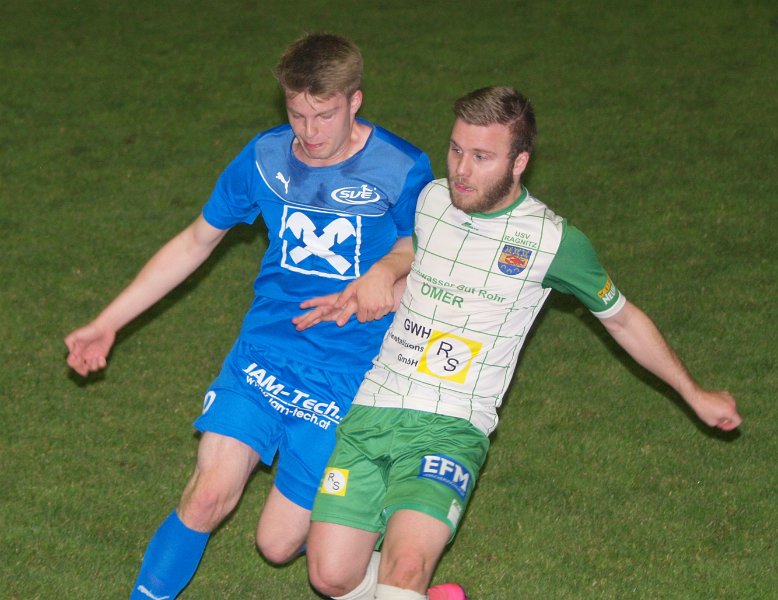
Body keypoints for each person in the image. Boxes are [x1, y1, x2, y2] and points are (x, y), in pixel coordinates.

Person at [300, 86, 742, 600]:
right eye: (456, 149)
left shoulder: (553, 241)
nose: (462, 169)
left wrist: (694, 393)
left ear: (519, 162)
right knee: (331, 576)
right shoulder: (432, 200)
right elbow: (422, 275)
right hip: (374, 407)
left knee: (405, 570)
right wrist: (366, 291)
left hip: (451, 423)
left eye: (481, 157)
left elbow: (624, 321)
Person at [64, 33, 434, 599]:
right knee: (207, 496)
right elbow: (196, 241)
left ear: (355, 101)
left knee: (278, 545)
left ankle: (375, 538)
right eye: (297, 114)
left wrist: (388, 268)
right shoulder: (264, 157)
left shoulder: (402, 166)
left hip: (348, 373)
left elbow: (425, 250)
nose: (309, 132)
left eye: (325, 115)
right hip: (264, 353)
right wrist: (107, 322)